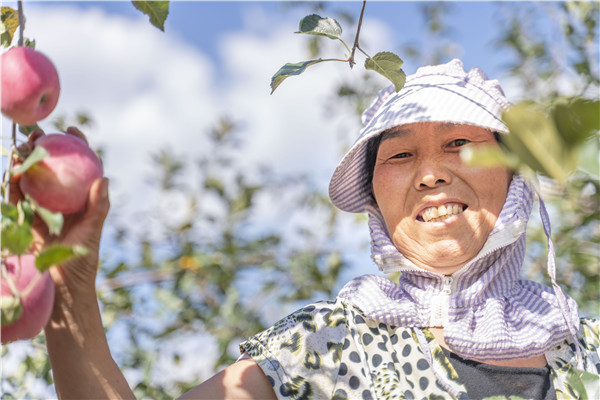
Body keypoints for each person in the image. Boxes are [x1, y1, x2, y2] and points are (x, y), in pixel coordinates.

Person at [13, 59, 599, 399]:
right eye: (398, 157)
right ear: (375, 199)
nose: (429, 175)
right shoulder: (324, 347)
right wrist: (69, 287)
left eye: (459, 144)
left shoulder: (588, 351)